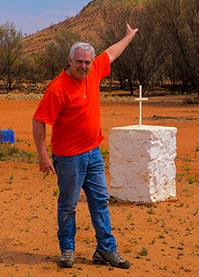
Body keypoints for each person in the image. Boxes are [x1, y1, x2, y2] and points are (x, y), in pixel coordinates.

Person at [32, 23, 138, 269]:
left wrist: (128, 38)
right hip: (68, 158)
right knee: (68, 205)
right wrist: (43, 156)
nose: (83, 67)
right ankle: (67, 250)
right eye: (79, 62)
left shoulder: (94, 70)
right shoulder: (57, 88)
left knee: (100, 200)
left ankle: (105, 250)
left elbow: (111, 53)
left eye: (87, 63)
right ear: (69, 61)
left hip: (93, 153)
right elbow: (39, 121)